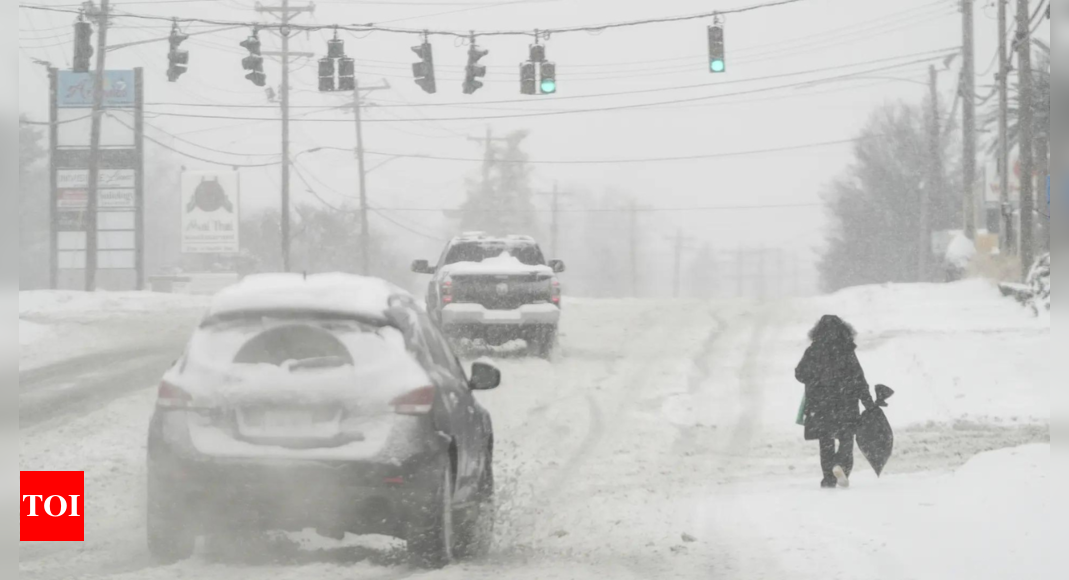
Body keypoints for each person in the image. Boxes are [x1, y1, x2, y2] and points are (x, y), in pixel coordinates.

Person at [795, 315, 876, 489]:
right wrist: (868, 402)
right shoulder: (847, 351)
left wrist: (815, 378)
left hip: (820, 404)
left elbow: (800, 374)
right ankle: (841, 465)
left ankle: (828, 478)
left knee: (826, 442)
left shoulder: (813, 351)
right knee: (846, 439)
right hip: (846, 403)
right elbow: (858, 379)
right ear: (843, 330)